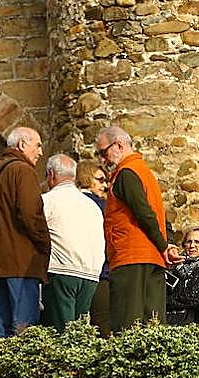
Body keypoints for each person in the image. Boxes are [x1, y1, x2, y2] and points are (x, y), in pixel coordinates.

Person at [0, 127, 51, 337]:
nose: (40, 152)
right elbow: (31, 214)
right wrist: (45, 244)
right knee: (23, 331)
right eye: (37, 145)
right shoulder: (23, 171)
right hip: (20, 263)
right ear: (22, 144)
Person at [94, 125, 169, 332]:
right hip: (150, 256)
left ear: (118, 145)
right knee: (152, 326)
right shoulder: (143, 171)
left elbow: (144, 213)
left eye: (103, 152)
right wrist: (162, 246)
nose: (103, 160)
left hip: (130, 256)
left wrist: (163, 246)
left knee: (127, 324)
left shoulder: (126, 173)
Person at [40, 154, 105, 332]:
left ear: (51, 174)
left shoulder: (48, 200)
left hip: (61, 271)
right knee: (79, 333)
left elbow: (34, 234)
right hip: (90, 274)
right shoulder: (92, 206)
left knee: (60, 332)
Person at [77, 159, 112, 335]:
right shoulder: (100, 206)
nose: (104, 186)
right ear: (86, 178)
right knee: (102, 322)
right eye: (100, 180)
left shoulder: (71, 202)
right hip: (100, 270)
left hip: (75, 269)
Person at [165, 226, 199, 328]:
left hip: (194, 323)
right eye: (189, 242)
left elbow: (192, 298)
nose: (192, 246)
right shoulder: (174, 265)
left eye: (197, 242)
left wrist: (165, 301)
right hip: (168, 319)